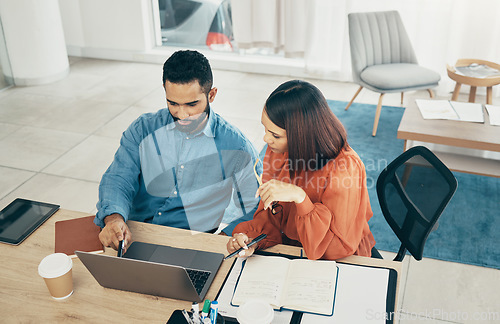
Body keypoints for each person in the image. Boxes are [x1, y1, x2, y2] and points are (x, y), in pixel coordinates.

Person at [95, 50, 261, 252]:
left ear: (212, 95)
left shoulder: (237, 146)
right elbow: (118, 178)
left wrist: (226, 238)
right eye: (172, 103)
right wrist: (113, 219)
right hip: (130, 235)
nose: (181, 114)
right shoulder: (143, 129)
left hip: (187, 244)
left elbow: (256, 204)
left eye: (192, 104)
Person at [227, 80, 375, 260]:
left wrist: (300, 197)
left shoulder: (344, 168)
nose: (266, 139)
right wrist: (252, 239)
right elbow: (271, 212)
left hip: (336, 255)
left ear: (301, 136)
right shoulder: (280, 149)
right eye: (265, 129)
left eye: (275, 135)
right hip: (293, 246)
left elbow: (337, 248)